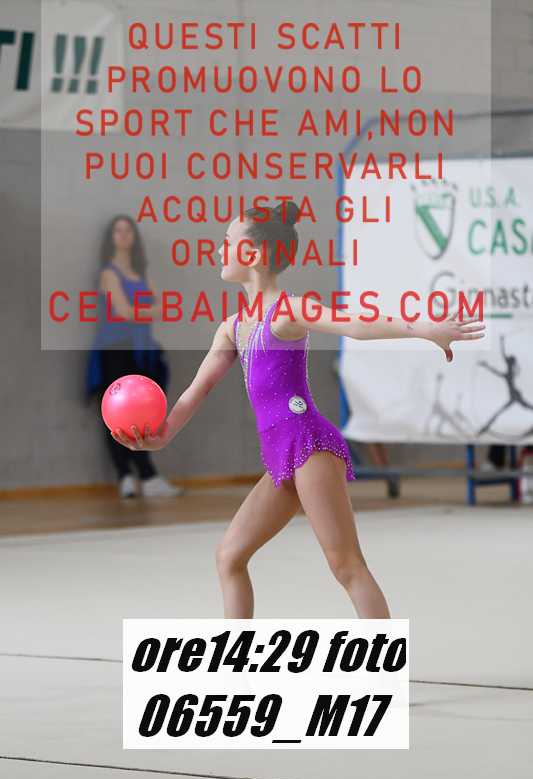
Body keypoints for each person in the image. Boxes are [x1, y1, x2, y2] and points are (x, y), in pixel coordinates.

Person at [112, 202, 485, 617]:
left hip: (308, 447)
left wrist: (424, 329)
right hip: (280, 457)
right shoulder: (232, 327)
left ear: (254, 254)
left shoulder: (288, 311)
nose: (219, 250)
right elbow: (195, 392)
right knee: (229, 557)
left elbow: (354, 323)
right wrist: (161, 435)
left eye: (227, 242)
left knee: (346, 565)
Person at [86, 214, 182, 499]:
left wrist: (140, 311)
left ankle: (148, 476)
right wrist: (146, 311)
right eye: (118, 230)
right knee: (117, 416)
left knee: (143, 415)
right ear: (111, 237)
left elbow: (160, 308)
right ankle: (126, 476)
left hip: (142, 350)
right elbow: (124, 311)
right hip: (115, 350)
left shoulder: (142, 272)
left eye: (128, 230)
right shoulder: (108, 273)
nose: (124, 235)